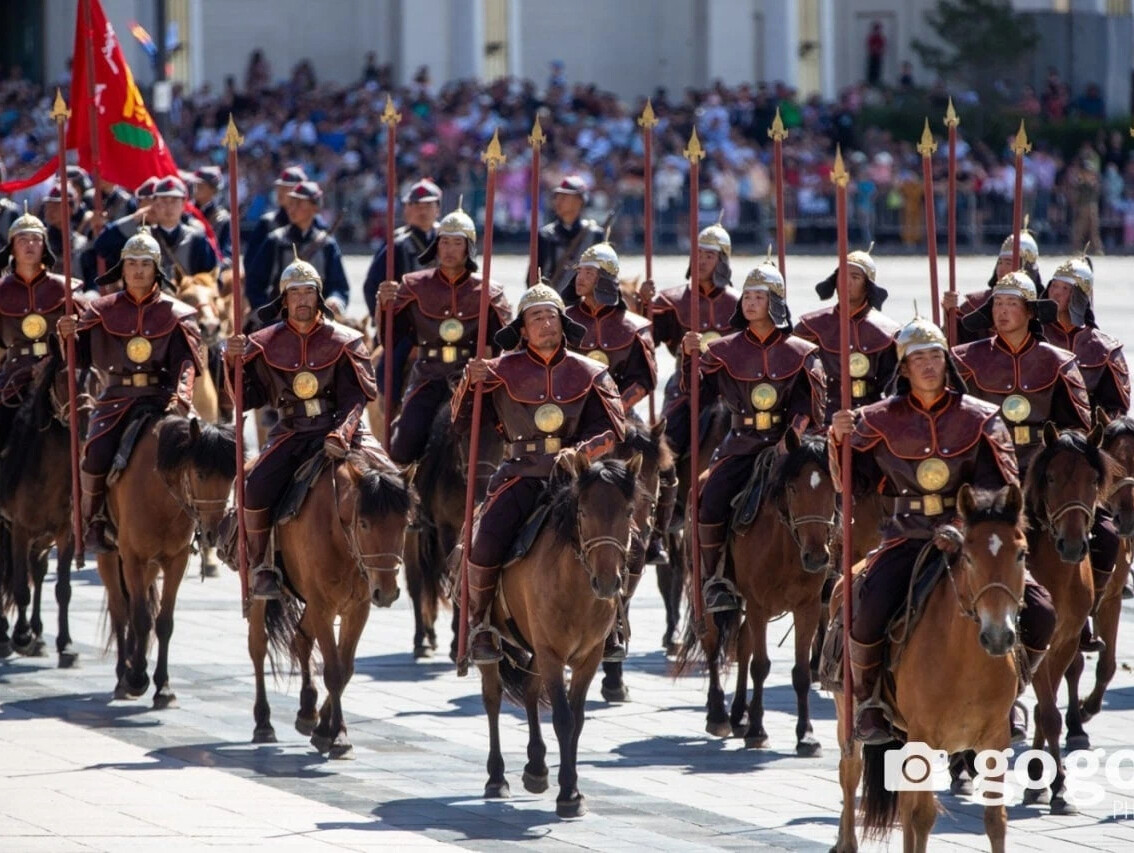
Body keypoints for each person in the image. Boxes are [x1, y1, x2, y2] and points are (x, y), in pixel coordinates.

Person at [830, 314, 1055, 744]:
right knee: (869, 610)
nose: (929, 365)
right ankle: (872, 701)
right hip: (906, 535)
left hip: (971, 538)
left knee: (1042, 611)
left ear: (947, 363)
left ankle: (1012, 694)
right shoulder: (876, 419)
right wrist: (840, 440)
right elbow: (853, 484)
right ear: (904, 368)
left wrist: (959, 525)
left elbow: (998, 489)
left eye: (936, 356)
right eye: (919, 359)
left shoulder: (981, 418)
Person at [453, 284, 625, 664]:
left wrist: (580, 453)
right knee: (484, 544)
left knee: (620, 536)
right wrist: (471, 383)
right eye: (536, 317)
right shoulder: (499, 371)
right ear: (523, 329)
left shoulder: (591, 372)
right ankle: (480, 623)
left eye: (552, 316)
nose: (546, 323)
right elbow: (463, 421)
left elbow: (613, 430)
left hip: (575, 479)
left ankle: (613, 624)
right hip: (520, 474)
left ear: (563, 324)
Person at [952, 271, 1113, 652]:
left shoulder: (1059, 362)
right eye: (998, 304)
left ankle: (1083, 614)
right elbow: (953, 421)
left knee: (1104, 531)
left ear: (1030, 311)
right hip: (987, 476)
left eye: (1011, 304)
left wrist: (1058, 458)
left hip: (1045, 476)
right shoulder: (965, 359)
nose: (1003, 312)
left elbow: (1078, 426)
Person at [224, 256, 386, 600]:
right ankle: (262, 563)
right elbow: (245, 398)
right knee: (254, 487)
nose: (301, 300)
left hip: (342, 429)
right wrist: (231, 362)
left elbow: (356, 398)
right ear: (284, 299)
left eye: (308, 292)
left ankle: (388, 556)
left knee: (391, 483)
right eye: (294, 293)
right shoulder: (263, 343)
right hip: (293, 430)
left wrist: (341, 433)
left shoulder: (346, 340)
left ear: (319, 297)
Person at [682, 257, 825, 612]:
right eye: (747, 296)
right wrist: (690, 358)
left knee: (822, 494)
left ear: (774, 302)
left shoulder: (801, 352)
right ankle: (715, 578)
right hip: (740, 444)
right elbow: (696, 390)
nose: (749, 302)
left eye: (759, 297)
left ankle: (829, 569)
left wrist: (789, 437)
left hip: (787, 446)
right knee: (708, 497)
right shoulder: (722, 350)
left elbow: (808, 405)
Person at [57, 227, 203, 552]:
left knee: (200, 447)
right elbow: (79, 358)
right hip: (117, 399)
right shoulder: (101, 310)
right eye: (132, 263)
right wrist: (68, 336)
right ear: (122, 268)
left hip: (163, 399)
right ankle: (94, 520)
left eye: (145, 263)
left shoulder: (176, 313)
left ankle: (202, 525)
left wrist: (182, 396)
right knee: (94, 454)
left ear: (156, 269)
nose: (138, 270)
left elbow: (186, 363)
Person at [562, 240, 674, 567]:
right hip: (571, 415)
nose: (580, 276)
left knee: (659, 464)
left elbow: (645, 379)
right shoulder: (562, 318)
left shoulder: (634, 327)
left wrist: (615, 408)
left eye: (587, 271)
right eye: (580, 270)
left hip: (621, 413)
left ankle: (654, 538)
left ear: (605, 278)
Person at [378, 205, 512, 469]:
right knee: (404, 443)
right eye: (444, 242)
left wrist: (488, 370)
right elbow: (390, 339)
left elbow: (505, 344)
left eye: (457, 243)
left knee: (498, 439)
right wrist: (384, 306)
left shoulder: (489, 291)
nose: (449, 249)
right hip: (428, 375)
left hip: (471, 379)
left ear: (469, 248)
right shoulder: (413, 285)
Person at [1041, 253, 1130, 649]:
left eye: (1064, 289)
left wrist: (1092, 427)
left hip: (1085, 453)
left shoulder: (1104, 348)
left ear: (1080, 294)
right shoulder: (1034, 339)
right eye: (1053, 287)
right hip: (1041, 451)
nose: (1056, 294)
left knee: (1107, 535)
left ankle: (1086, 611)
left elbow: (1118, 406)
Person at [640, 223, 739, 462]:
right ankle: (667, 493)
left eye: (709, 256)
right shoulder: (670, 300)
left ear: (722, 261)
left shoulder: (741, 303)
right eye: (698, 255)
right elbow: (646, 339)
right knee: (666, 444)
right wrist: (644, 305)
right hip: (685, 386)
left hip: (730, 387)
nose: (701, 261)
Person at [0, 209, 83, 449]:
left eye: (36, 239)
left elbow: (86, 336)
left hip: (59, 370)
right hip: (15, 373)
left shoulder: (66, 289)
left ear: (44, 246)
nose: (30, 245)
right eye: (23, 239)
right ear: (12, 248)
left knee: (91, 422)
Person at [795, 245, 898, 421]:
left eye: (855, 277)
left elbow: (894, 389)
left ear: (868, 285)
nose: (846, 282)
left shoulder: (888, 333)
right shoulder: (810, 327)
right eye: (842, 275)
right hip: (821, 420)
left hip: (870, 421)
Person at [364, 178, 443, 408]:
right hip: (409, 324)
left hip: (447, 319)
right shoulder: (398, 245)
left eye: (428, 205)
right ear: (407, 209)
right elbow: (372, 286)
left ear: (438, 208)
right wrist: (386, 317)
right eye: (416, 205)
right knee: (394, 360)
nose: (422, 211)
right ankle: (389, 400)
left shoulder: (450, 240)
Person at [245, 180, 348, 315]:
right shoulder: (275, 240)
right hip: (278, 318)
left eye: (299, 204)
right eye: (291, 203)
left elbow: (338, 285)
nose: (291, 209)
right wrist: (267, 311)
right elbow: (255, 284)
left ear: (315, 207)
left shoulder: (327, 245)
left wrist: (335, 300)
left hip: (318, 317)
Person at [943, 229, 1040, 344]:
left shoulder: (1043, 305)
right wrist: (950, 312)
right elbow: (958, 344)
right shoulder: (975, 304)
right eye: (999, 262)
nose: (1001, 269)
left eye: (1008, 263)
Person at [532, 176, 605, 295]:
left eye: (565, 197)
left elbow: (604, 275)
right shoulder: (545, 235)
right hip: (553, 303)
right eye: (557, 197)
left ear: (580, 201)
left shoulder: (595, 235)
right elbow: (533, 275)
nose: (558, 202)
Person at [243, 165, 308, 266]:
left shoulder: (316, 225)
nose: (280, 192)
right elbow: (251, 262)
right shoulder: (267, 223)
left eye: (286, 188)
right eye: (279, 188)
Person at [191, 166, 232, 264]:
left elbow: (225, 250)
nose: (196, 189)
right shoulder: (185, 212)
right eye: (195, 185)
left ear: (213, 190)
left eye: (201, 186)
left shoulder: (222, 218)